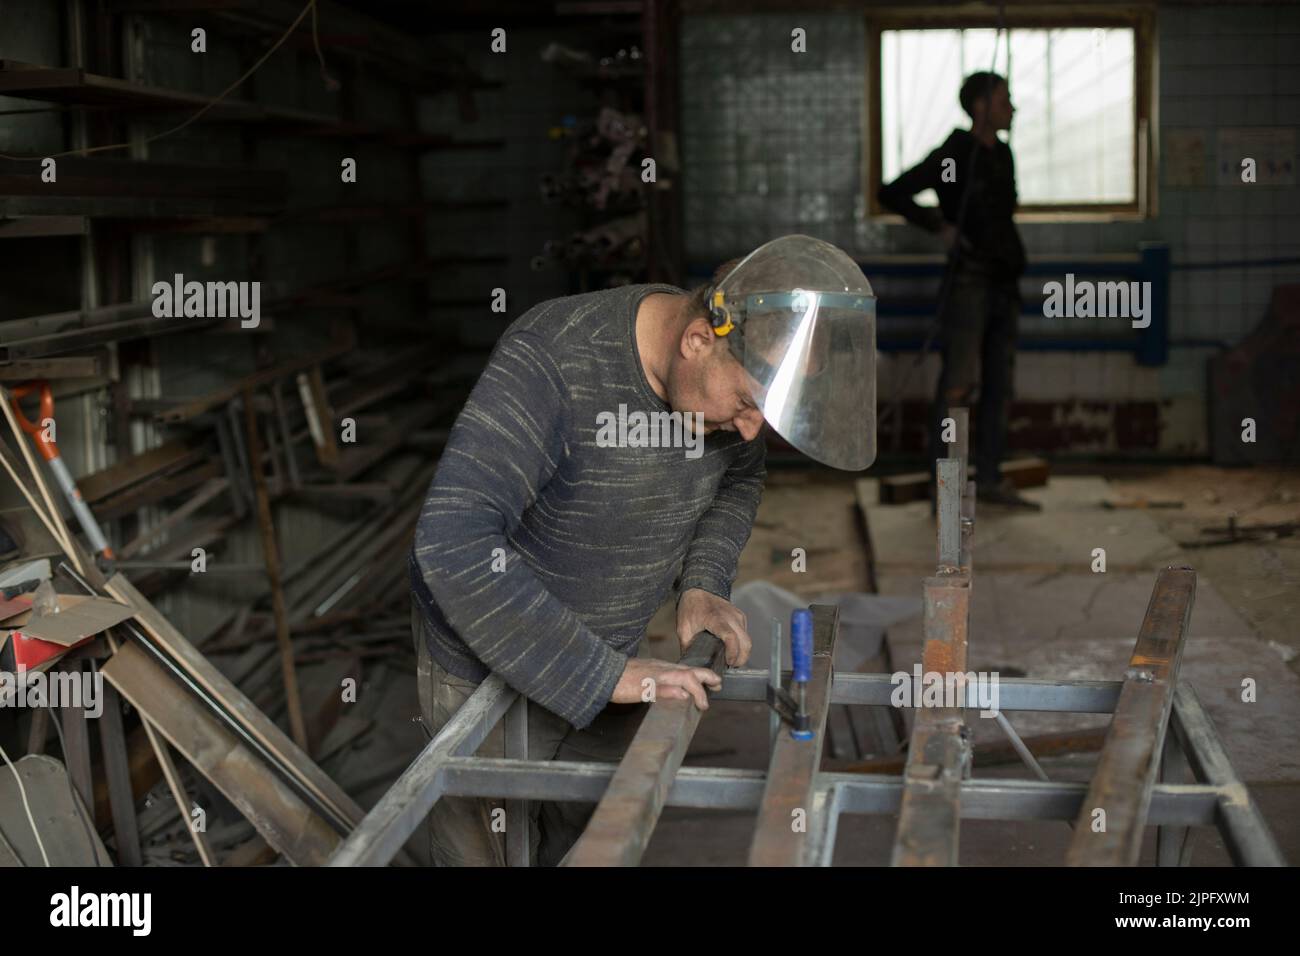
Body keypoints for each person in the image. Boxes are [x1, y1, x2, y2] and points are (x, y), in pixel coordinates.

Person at [409, 234, 876, 865]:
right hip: (486, 674)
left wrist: (704, 581)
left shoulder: (721, 396)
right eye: (745, 403)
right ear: (696, 341)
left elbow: (740, 478)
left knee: (598, 844)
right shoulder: (554, 360)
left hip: (610, 657)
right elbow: (452, 540)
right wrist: (603, 676)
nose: (750, 429)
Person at [878, 71, 1040, 509]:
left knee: (999, 386)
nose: (1012, 108)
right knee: (957, 387)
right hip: (969, 281)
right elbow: (891, 192)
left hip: (1005, 282)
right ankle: (944, 490)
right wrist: (939, 225)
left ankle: (987, 479)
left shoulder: (1002, 154)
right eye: (1004, 99)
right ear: (982, 106)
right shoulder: (954, 154)